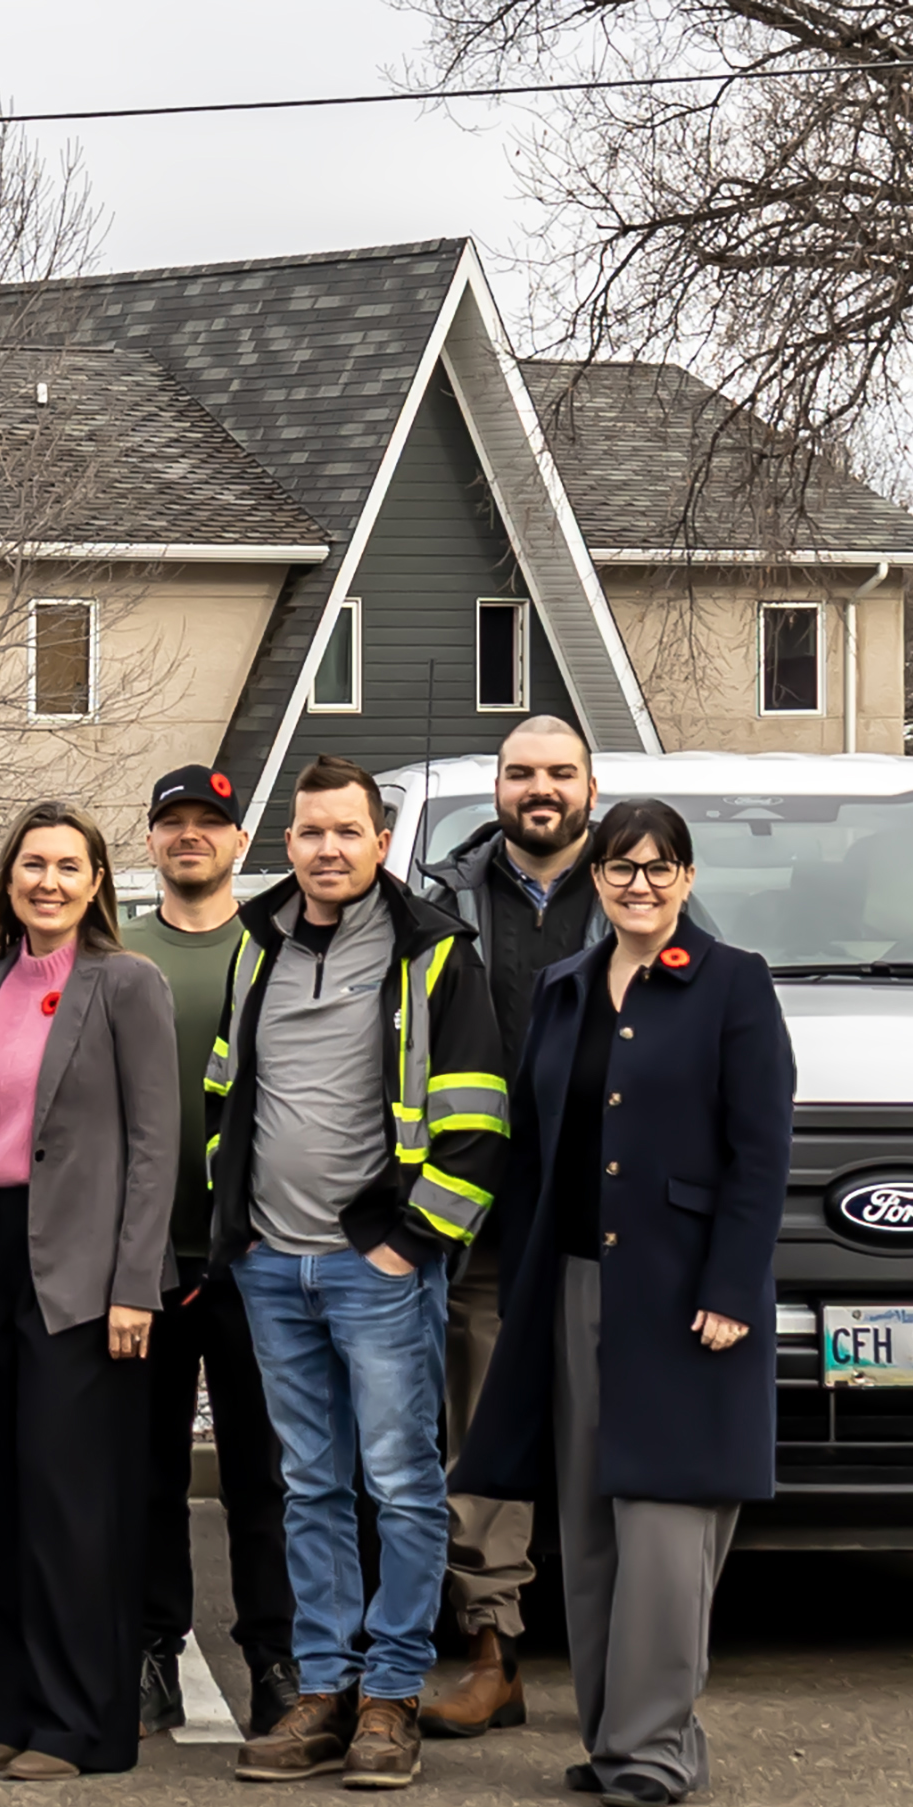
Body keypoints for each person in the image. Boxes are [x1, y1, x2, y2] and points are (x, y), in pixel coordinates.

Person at [459, 800, 790, 1807]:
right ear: (594, 879)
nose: (637, 884)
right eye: (618, 868)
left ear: (685, 878)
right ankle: (612, 1740)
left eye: (657, 868)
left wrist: (730, 1287)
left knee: (663, 1524)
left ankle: (651, 1746)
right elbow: (536, 1154)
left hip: (684, 1297)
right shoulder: (564, 989)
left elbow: (759, 1152)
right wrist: (519, 1286)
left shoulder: (732, 985)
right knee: (589, 1525)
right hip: (567, 1285)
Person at [203, 757, 508, 1791]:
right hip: (270, 1268)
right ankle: (322, 1693)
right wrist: (236, 1226)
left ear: (380, 842)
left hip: (376, 1271)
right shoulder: (256, 947)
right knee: (308, 1488)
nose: (325, 850)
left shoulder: (431, 952)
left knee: (400, 1486)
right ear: (282, 844)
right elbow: (222, 1097)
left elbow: (476, 1121)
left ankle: (389, 1697)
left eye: (345, 832)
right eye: (307, 833)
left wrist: (409, 1241)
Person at [0, 804, 178, 1779]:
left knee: (69, 1503)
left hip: (80, 1270)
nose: (47, 882)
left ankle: (81, 1727)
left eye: (67, 866)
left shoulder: (125, 984)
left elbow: (155, 1148)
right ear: (9, 875)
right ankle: (8, 1713)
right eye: (32, 864)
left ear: (95, 880)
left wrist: (134, 1286)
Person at [409, 713, 600, 1735]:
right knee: (480, 1432)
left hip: (599, 1210)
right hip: (479, 1202)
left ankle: (621, 1657)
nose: (539, 789)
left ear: (588, 785)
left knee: (607, 1423)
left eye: (557, 773)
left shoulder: (630, 892)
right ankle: (494, 1652)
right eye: (520, 772)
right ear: (495, 787)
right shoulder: (441, 901)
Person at [122, 765, 299, 1738]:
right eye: (172, 823)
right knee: (148, 1471)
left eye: (209, 824)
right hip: (147, 1260)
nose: (190, 837)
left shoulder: (275, 950)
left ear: (238, 843)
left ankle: (273, 1657)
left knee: (261, 1473)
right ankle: (153, 1646)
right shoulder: (116, 954)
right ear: (150, 842)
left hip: (258, 1254)